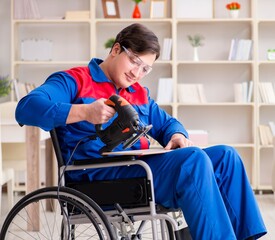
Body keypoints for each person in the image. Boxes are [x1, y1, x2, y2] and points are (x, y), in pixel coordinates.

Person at [15, 23, 267, 239]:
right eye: (134, 62)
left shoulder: (138, 93)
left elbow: (167, 124)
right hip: (97, 176)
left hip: (138, 169)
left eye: (145, 69)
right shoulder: (74, 80)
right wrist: (84, 112)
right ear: (116, 49)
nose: (137, 73)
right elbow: (26, 108)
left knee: (226, 157)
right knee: (193, 161)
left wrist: (177, 135)